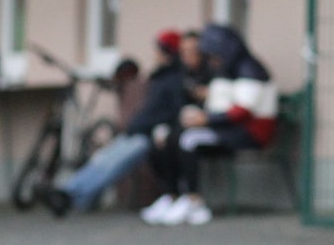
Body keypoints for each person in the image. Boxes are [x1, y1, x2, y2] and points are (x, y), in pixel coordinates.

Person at [44, 29, 195, 215]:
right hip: (138, 131)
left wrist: (158, 128)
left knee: (114, 162)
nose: (155, 54)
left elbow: (174, 112)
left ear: (167, 52)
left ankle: (71, 196)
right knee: (103, 158)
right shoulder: (160, 77)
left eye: (158, 50)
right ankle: (68, 191)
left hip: (150, 135)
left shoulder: (175, 79)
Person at [141, 23, 277, 226]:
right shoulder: (225, 69)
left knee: (188, 139)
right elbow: (221, 101)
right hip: (226, 129)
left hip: (248, 133)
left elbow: (242, 111)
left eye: (214, 56)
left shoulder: (251, 69)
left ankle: (194, 201)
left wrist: (207, 119)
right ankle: (173, 196)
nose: (212, 62)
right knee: (165, 137)